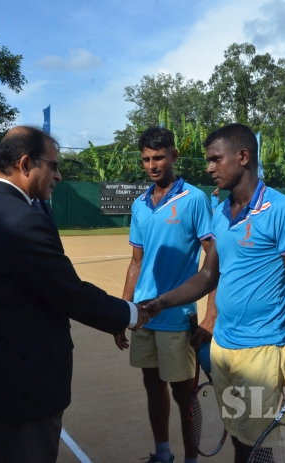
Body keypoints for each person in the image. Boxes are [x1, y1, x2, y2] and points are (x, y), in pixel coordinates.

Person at [0, 126, 150, 463]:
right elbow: (69, 292)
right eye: (53, 165)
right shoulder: (24, 220)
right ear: (26, 164)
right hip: (26, 389)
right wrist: (131, 314)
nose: (58, 175)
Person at [143, 123, 285, 463]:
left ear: (243, 157)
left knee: (257, 448)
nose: (209, 168)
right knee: (239, 439)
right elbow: (208, 275)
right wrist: (162, 302)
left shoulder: (282, 210)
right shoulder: (221, 213)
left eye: (216, 159)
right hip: (223, 347)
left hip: (263, 351)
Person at [114, 127, 215, 463]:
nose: (152, 165)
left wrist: (210, 317)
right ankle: (162, 455)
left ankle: (191, 460)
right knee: (152, 386)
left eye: (158, 157)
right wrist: (123, 312)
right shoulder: (140, 205)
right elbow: (135, 263)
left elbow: (214, 264)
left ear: (173, 155)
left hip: (177, 317)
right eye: (146, 159)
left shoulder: (194, 199)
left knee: (184, 396)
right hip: (144, 316)